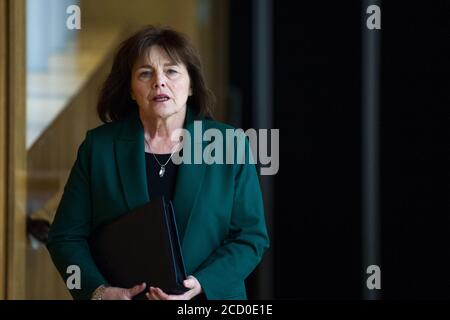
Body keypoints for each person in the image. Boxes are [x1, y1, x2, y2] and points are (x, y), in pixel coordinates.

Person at [46, 25, 270, 300]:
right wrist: (98, 291)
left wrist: (200, 284)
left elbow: (250, 237)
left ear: (191, 86)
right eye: (145, 73)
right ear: (130, 89)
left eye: (172, 71)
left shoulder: (229, 144)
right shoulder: (99, 148)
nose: (159, 82)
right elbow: (65, 237)